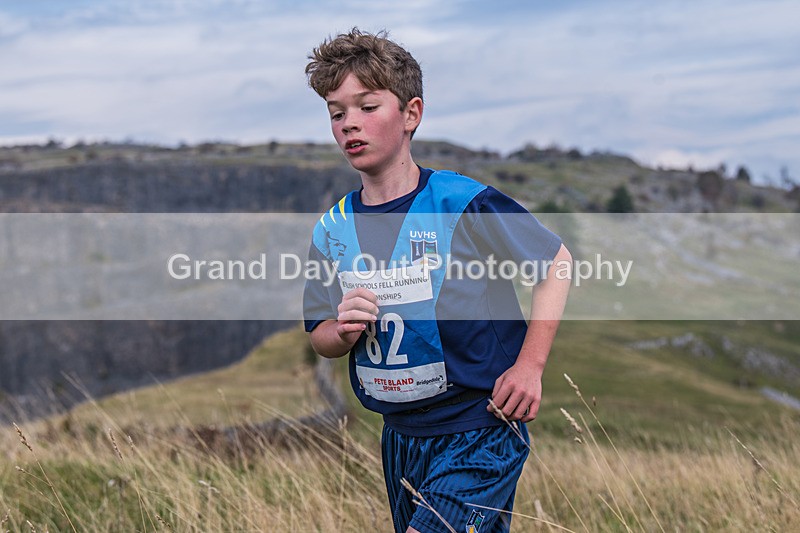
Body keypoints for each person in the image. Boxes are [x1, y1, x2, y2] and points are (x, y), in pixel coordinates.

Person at [302, 28, 571, 533]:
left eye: (366, 107)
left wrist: (530, 366)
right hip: (400, 437)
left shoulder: (462, 202)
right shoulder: (332, 227)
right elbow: (319, 334)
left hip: (478, 427)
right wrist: (342, 331)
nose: (348, 125)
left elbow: (555, 261)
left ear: (411, 114)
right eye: (337, 113)